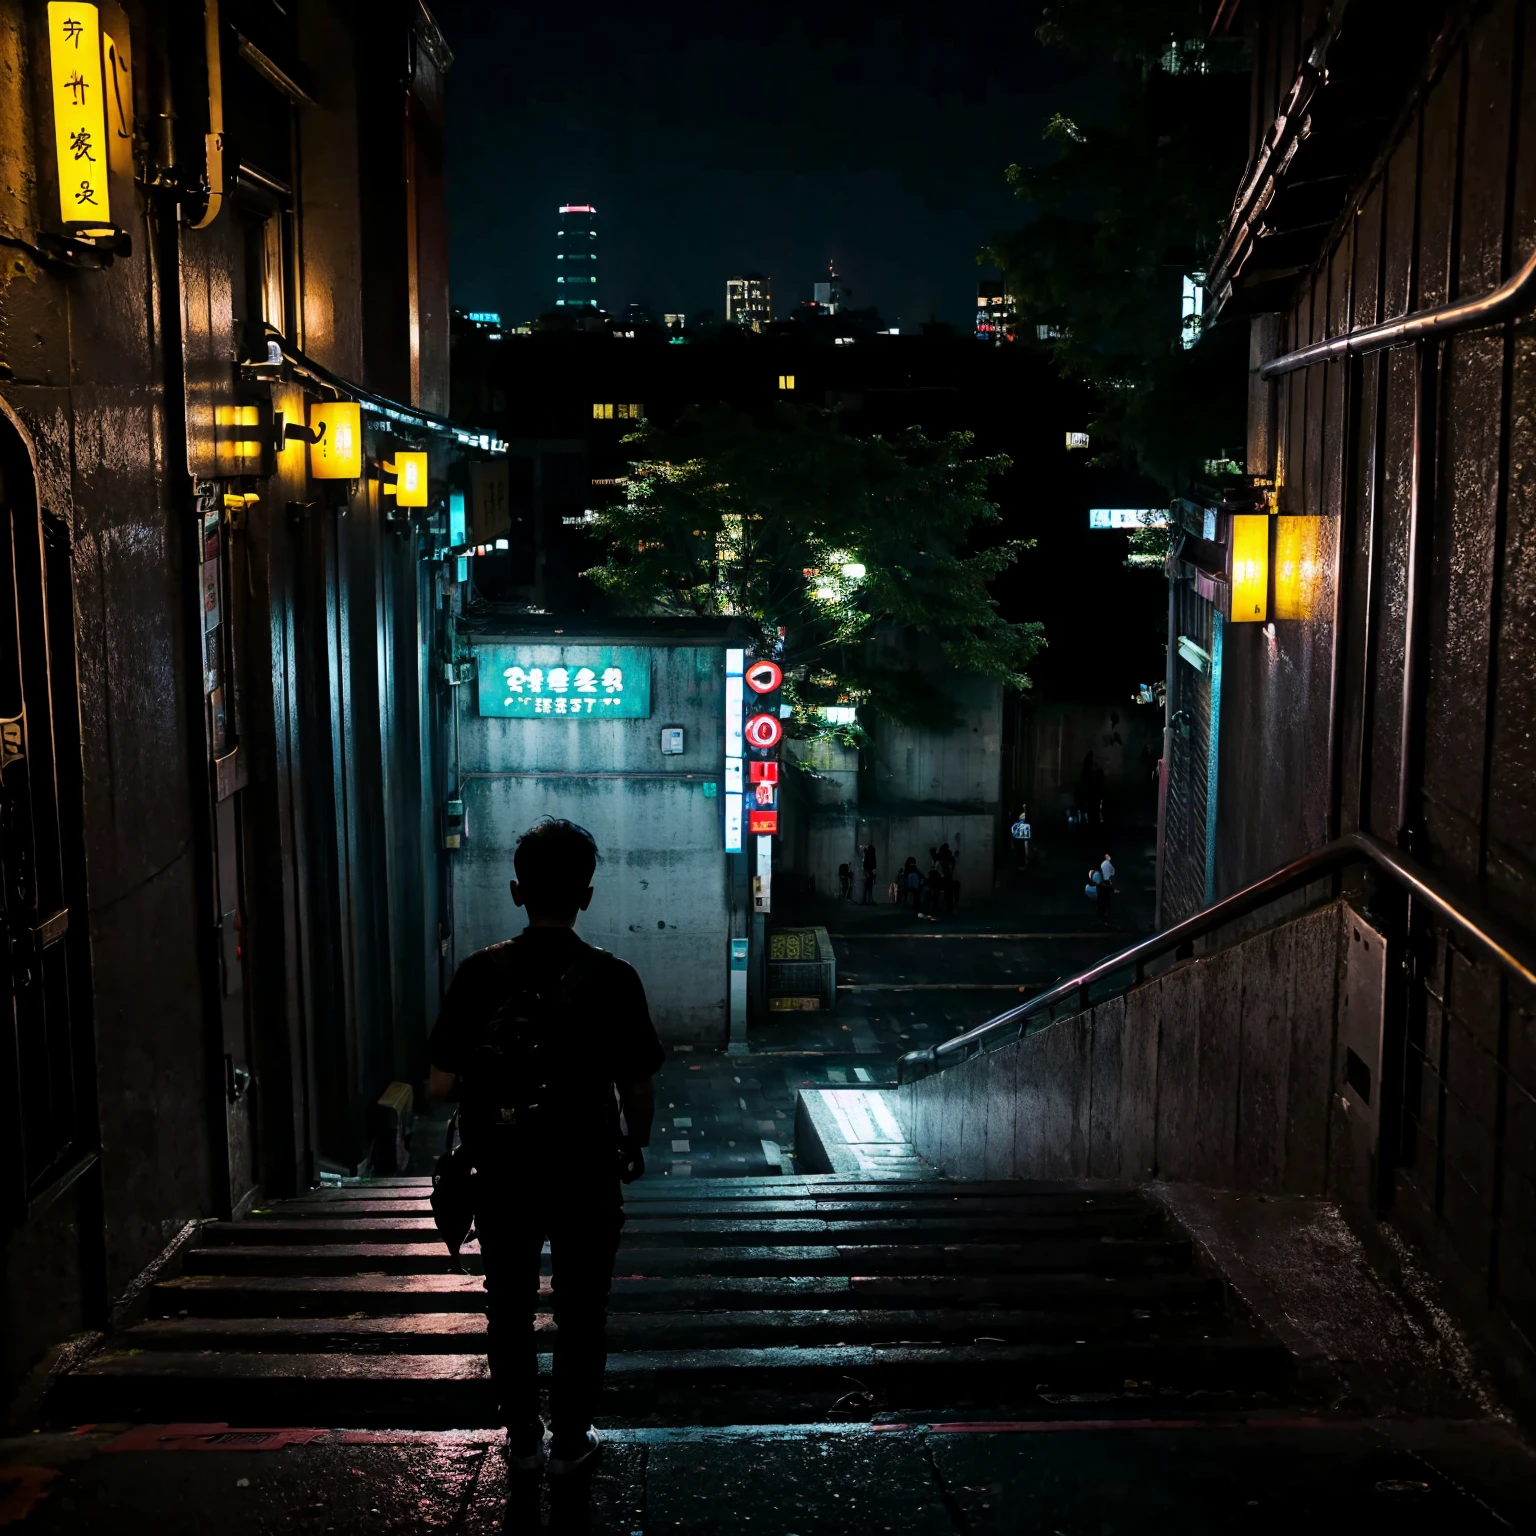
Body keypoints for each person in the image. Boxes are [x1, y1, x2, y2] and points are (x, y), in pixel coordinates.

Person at [428, 818, 663, 1478]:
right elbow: (638, 1083)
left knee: (508, 1300)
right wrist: (632, 1144)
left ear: (514, 891)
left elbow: (442, 1083)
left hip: (502, 1170)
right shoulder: (613, 977)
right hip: (586, 1167)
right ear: (587, 895)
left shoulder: (479, 974)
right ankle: (570, 1440)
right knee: (582, 1305)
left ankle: (523, 1439)